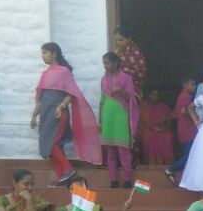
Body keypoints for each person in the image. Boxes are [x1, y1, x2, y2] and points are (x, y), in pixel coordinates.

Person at [31, 43, 100, 188]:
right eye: (42, 53)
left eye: (45, 52)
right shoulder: (45, 73)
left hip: (57, 113)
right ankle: (61, 177)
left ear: (54, 54)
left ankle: (69, 170)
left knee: (52, 144)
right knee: (46, 147)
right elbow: (40, 98)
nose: (43, 56)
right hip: (45, 114)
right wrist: (34, 115)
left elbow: (71, 93)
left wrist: (62, 106)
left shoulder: (64, 72)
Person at [98, 51, 139, 188]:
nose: (105, 66)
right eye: (104, 63)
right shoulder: (104, 79)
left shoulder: (126, 79)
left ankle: (127, 179)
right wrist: (100, 121)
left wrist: (120, 91)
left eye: (107, 63)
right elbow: (102, 100)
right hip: (107, 117)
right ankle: (113, 179)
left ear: (115, 63)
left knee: (123, 150)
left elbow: (131, 99)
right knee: (110, 151)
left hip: (121, 116)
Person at [165, 77, 199, 179]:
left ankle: (185, 178)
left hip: (184, 128)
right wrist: (196, 117)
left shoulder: (182, 96)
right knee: (192, 155)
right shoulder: (186, 96)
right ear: (185, 85)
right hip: (188, 129)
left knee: (189, 154)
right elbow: (184, 111)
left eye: (194, 84)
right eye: (192, 84)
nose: (194, 87)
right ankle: (171, 169)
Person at [138, 87, 174, 166]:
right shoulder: (144, 106)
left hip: (162, 130)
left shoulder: (164, 107)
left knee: (167, 136)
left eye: (157, 95)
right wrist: (152, 128)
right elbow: (141, 123)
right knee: (150, 137)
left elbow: (169, 121)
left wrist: (162, 128)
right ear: (148, 95)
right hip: (147, 130)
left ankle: (166, 164)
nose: (155, 97)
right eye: (153, 94)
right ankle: (151, 163)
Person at [111, 27, 147, 98]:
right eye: (116, 40)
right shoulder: (117, 52)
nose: (118, 43)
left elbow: (141, 74)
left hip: (131, 92)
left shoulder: (136, 54)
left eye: (121, 40)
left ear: (129, 39)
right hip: (116, 91)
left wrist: (123, 72)